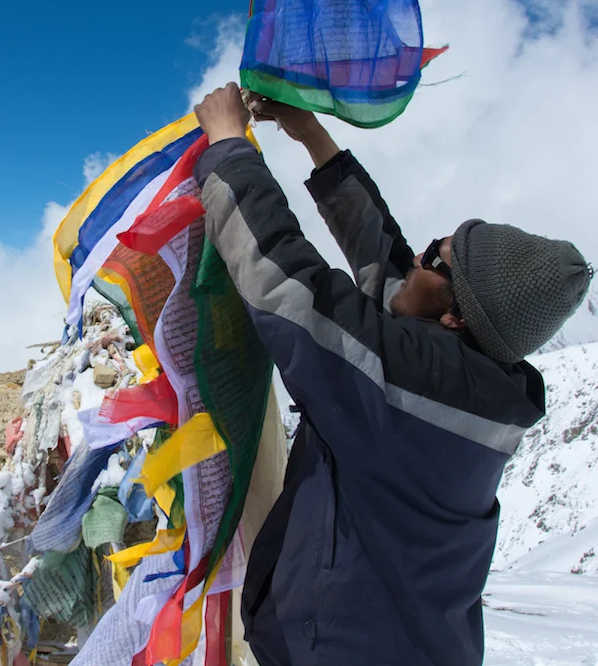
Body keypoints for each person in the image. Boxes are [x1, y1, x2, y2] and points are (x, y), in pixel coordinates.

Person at [191, 82, 593, 666]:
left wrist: (229, 147)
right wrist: (310, 135)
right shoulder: (471, 376)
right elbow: (389, 259)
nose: (418, 255)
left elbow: (291, 287)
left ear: (456, 317)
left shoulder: (415, 387)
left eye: (437, 258)